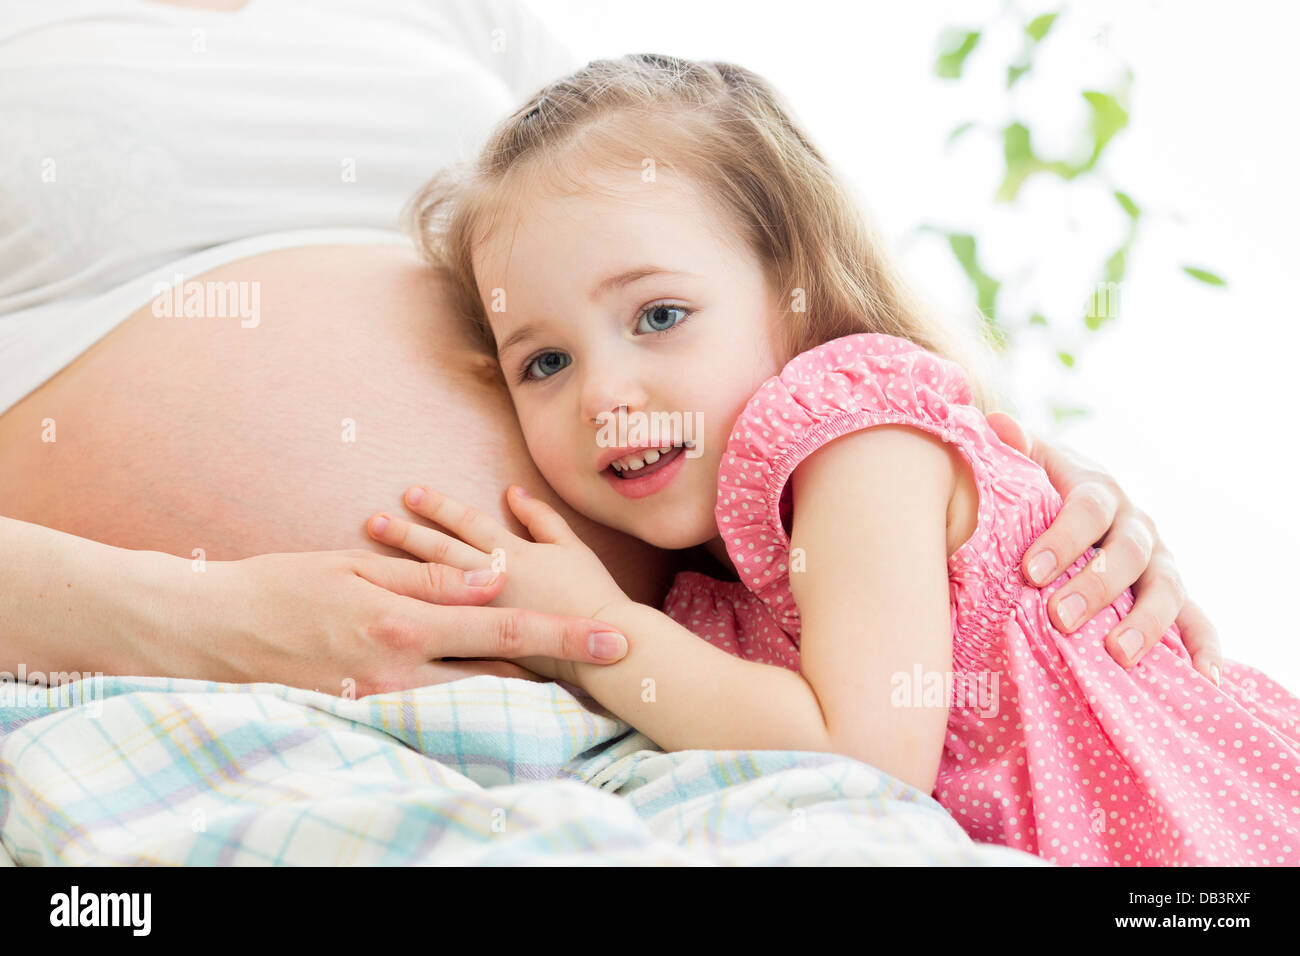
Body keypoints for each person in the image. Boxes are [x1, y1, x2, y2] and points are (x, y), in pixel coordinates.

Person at [0, 1, 1218, 697]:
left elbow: (697, 238)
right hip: (164, 688)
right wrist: (192, 613)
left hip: (677, 705)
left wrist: (992, 472)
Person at [364, 53, 1299, 865]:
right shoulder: (722, 593)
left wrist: (593, 629)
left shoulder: (861, 442)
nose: (601, 395)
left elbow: (863, 754)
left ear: (797, 291)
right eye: (545, 362)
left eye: (659, 316)